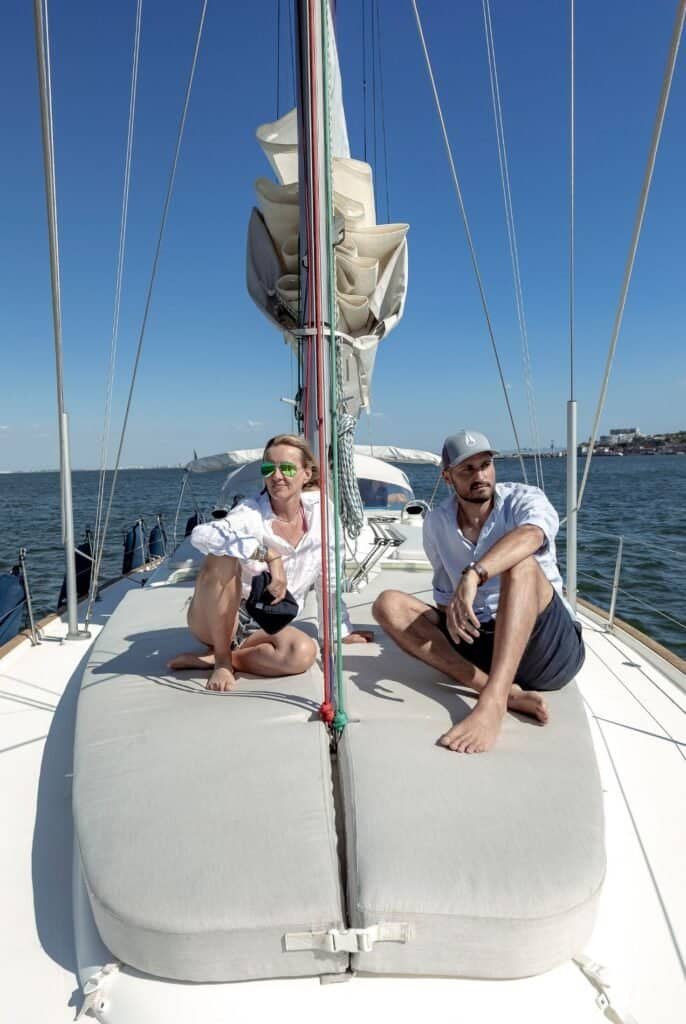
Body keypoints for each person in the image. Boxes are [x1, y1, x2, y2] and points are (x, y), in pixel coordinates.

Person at [372, 429, 585, 754]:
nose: (480, 476)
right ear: (448, 477)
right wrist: (448, 619)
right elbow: (445, 594)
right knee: (387, 604)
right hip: (484, 640)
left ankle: (493, 703)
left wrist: (474, 575)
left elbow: (532, 536)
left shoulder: (523, 500)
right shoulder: (437, 522)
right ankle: (501, 690)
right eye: (467, 470)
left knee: (521, 564)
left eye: (485, 465)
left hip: (547, 645)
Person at [169, 434, 371, 691]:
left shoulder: (323, 514)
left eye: (287, 468)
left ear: (307, 474)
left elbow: (328, 581)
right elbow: (202, 535)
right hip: (217, 618)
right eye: (268, 468)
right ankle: (221, 660)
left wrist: (338, 633)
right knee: (221, 556)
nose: (276, 476)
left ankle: (219, 659)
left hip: (265, 622)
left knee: (303, 652)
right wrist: (268, 554)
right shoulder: (250, 512)